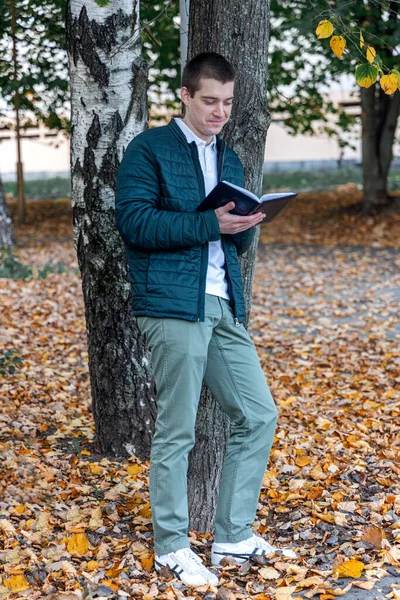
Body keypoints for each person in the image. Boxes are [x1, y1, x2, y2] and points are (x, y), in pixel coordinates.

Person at [115, 52, 296, 588]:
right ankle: (172, 546)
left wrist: (245, 222)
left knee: (258, 414)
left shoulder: (231, 157)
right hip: (172, 304)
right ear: (186, 96)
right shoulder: (149, 149)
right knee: (178, 428)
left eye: (228, 102)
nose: (220, 112)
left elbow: (230, 235)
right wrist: (208, 222)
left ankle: (232, 535)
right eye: (210, 101)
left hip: (223, 303)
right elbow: (135, 222)